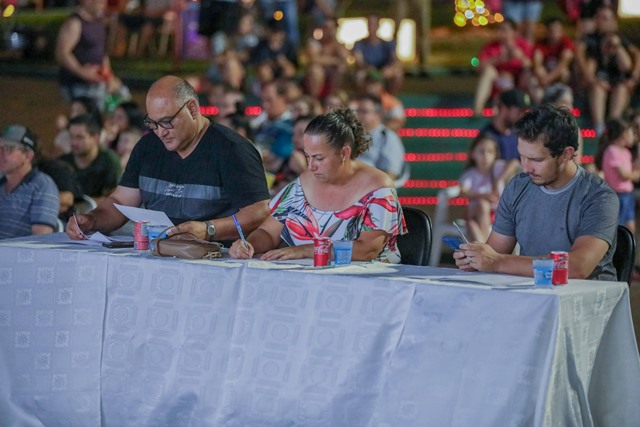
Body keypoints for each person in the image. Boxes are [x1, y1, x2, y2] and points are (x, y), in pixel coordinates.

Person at [66, 75, 270, 242]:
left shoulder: (233, 149)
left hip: (217, 258)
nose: (160, 132)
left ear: (192, 109)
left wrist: (208, 229)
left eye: (167, 122)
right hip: (158, 253)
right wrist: (92, 220)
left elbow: (258, 211)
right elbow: (120, 201)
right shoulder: (147, 147)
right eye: (153, 124)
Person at [454, 104, 619, 280]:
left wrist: (497, 262)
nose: (526, 168)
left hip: (587, 294)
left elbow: (577, 267)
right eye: (522, 157)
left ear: (566, 154)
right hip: (532, 289)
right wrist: (476, 259)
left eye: (536, 159)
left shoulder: (599, 197)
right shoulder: (518, 187)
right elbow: (495, 252)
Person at [228, 107, 406, 263]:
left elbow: (367, 250)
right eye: (307, 156)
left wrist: (305, 250)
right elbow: (267, 232)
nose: (311, 165)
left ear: (344, 153)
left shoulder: (378, 187)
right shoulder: (303, 183)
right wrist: (248, 244)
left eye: (319, 158)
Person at [576, 6, 640, 136]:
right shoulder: (590, 39)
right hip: (596, 84)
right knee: (597, 88)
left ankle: (612, 127)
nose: (601, 21)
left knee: (621, 88)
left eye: (605, 18)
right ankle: (599, 129)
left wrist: (616, 46)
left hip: (618, 84)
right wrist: (591, 79)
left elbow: (627, 66)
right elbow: (579, 55)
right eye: (599, 18)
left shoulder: (620, 38)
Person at [55, 0, 119, 111]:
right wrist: (82, 72)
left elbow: (102, 53)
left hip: (97, 82)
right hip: (76, 85)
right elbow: (62, 53)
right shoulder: (75, 23)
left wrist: (109, 76)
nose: (104, 5)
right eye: (99, 2)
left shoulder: (99, 23)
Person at [0, 124, 60, 239]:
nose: (0, 154)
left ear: (28, 155)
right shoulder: (1, 181)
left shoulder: (43, 186)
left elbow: (41, 239)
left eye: (8, 149)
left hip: (16, 250)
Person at [459, 133, 518, 243]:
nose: (486, 156)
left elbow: (514, 163)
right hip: (474, 212)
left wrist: (499, 179)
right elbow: (462, 192)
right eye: (481, 151)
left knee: (472, 225)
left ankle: (482, 245)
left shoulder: (497, 168)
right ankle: (484, 246)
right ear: (473, 154)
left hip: (495, 214)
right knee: (481, 205)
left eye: (490, 152)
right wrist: (483, 196)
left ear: (495, 155)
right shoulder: (470, 174)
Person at [472, 19, 533, 117]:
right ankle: (477, 109)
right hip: (498, 82)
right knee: (489, 71)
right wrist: (497, 59)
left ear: (514, 32)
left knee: (526, 74)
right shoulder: (492, 46)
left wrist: (520, 56)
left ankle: (532, 107)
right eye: (499, 30)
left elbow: (531, 66)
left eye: (505, 30)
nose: (501, 33)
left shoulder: (523, 45)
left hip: (518, 82)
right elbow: (477, 67)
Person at [59, 113, 122, 203]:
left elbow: (115, 198)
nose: (74, 142)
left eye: (79, 137)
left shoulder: (110, 161)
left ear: (96, 138)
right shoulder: (62, 163)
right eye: (71, 136)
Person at [594, 118, 640, 233]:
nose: (634, 136)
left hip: (628, 195)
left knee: (630, 225)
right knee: (618, 227)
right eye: (631, 133)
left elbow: (633, 171)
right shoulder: (612, 151)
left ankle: (630, 244)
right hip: (617, 196)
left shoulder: (626, 152)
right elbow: (625, 175)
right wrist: (636, 174)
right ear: (624, 134)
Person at [353, 93, 407, 186]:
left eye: (364, 112)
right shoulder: (351, 136)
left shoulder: (388, 137)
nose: (359, 115)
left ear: (377, 114)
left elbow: (390, 174)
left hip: (371, 189)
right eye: (358, 111)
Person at [353, 14, 404, 95]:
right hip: (367, 70)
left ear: (378, 26)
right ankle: (363, 96)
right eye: (370, 24)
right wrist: (368, 69)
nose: (371, 27)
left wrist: (389, 69)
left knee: (398, 73)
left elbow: (396, 61)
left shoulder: (387, 44)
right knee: (360, 76)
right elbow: (359, 61)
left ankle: (390, 96)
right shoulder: (359, 44)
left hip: (383, 70)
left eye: (374, 24)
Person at [479, 88, 530, 162]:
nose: (522, 115)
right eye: (519, 111)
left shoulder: (518, 136)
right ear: (504, 108)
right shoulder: (486, 137)